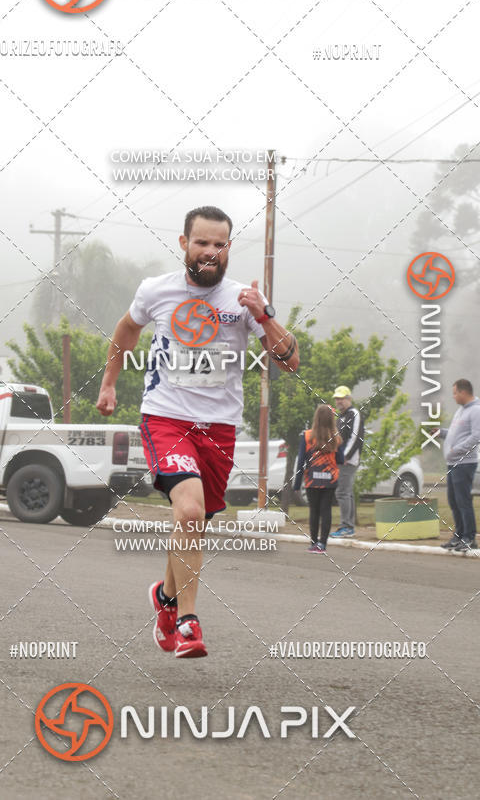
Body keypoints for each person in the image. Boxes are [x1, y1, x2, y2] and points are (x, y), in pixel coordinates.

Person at [96, 206, 299, 658]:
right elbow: (126, 329)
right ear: (184, 243)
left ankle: (166, 600)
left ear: (228, 248)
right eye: (202, 242)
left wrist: (265, 316)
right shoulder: (157, 290)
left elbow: (289, 361)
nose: (210, 252)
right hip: (165, 418)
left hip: (219, 430)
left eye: (219, 244)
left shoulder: (242, 301)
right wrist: (109, 382)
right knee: (188, 512)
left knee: (195, 523)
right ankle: (188, 621)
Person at [440, 379, 480, 552]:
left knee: (463, 501)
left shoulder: (477, 411)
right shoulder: (461, 411)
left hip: (465, 463)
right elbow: (455, 434)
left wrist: (455, 450)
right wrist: (442, 433)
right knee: (453, 501)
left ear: (464, 392)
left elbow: (475, 437)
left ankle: (469, 537)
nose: (454, 396)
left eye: (455, 393)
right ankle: (458, 536)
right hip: (453, 463)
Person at [293, 404, 344, 553]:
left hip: (312, 479)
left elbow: (301, 461)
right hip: (330, 479)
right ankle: (323, 544)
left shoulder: (307, 436)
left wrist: (296, 484)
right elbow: (341, 459)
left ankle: (313, 543)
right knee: (326, 510)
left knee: (314, 511)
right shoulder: (336, 437)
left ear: (316, 418)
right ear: (331, 419)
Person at [329, 386, 364, 538]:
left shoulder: (354, 414)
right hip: (340, 459)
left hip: (348, 460)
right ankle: (348, 526)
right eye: (337, 398)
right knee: (346, 492)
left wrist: (346, 456)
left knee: (342, 492)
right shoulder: (341, 417)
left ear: (349, 399)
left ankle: (346, 527)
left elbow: (356, 437)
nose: (339, 401)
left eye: (341, 398)